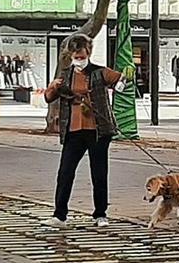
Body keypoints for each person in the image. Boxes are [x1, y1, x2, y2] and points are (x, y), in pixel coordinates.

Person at [42, 34, 134, 229]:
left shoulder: (100, 72)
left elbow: (122, 82)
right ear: (70, 55)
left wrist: (122, 82)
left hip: (98, 131)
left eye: (82, 56)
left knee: (99, 174)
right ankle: (60, 215)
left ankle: (100, 214)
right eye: (76, 56)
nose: (79, 59)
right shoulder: (65, 75)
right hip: (73, 131)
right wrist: (52, 87)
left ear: (88, 53)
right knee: (65, 172)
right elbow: (49, 97)